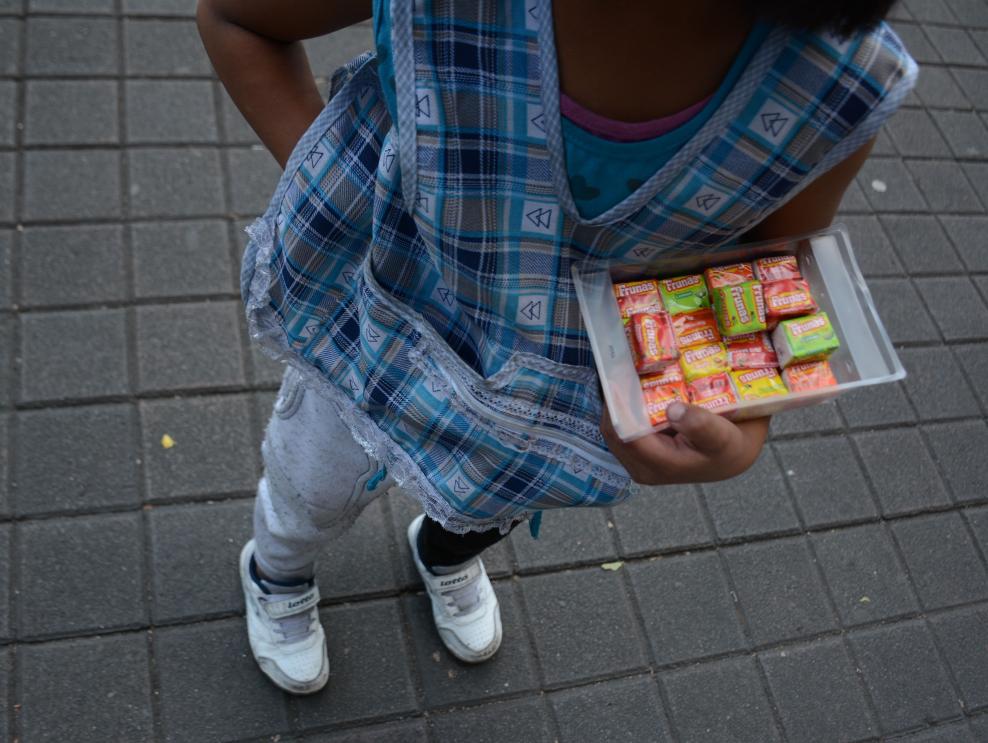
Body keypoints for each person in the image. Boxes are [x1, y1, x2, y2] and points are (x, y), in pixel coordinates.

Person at [197, 0, 915, 694]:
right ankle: (278, 568)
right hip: (382, 332)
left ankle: (442, 550)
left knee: (483, 507)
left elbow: (767, 278)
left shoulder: (836, 86)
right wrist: (363, 203)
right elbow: (237, 18)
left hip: (542, 406)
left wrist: (745, 428)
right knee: (312, 480)